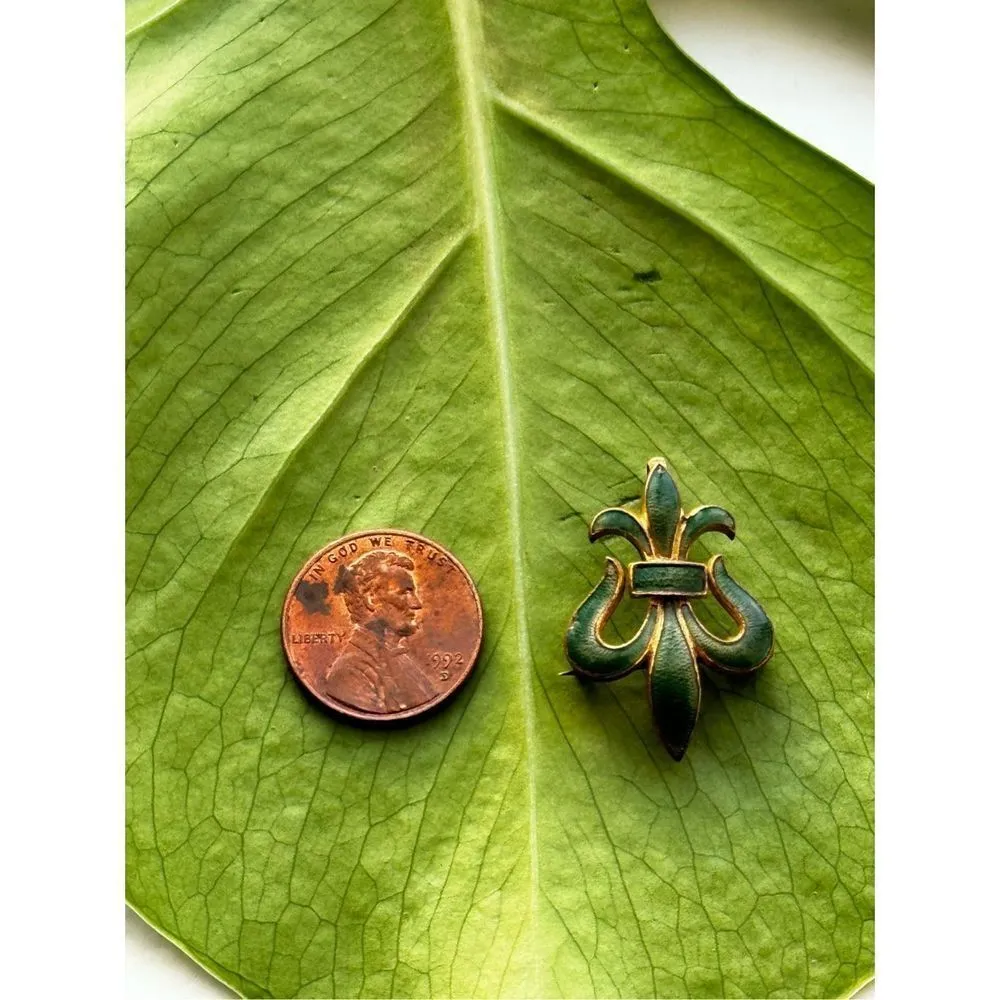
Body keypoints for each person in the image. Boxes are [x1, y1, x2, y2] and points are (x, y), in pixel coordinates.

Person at [324, 549, 437, 713]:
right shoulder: (350, 673)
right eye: (404, 593)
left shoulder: (401, 659)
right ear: (371, 598)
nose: (416, 603)